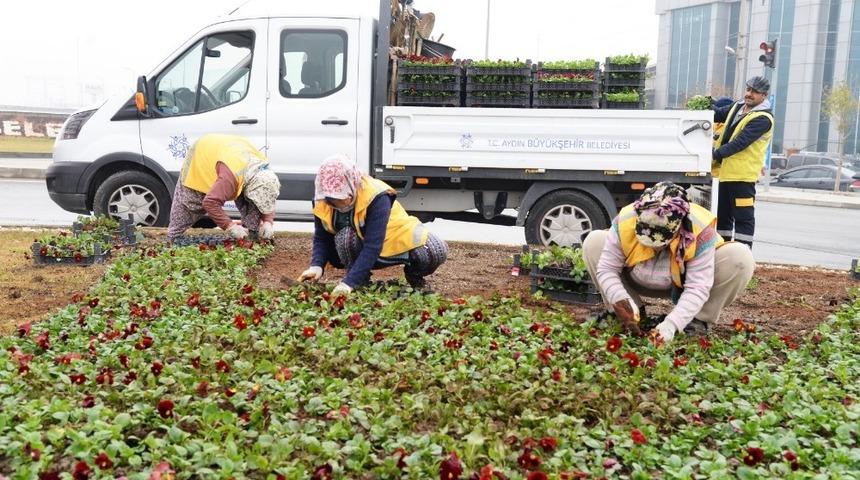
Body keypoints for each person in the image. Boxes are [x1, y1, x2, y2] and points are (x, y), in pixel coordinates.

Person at [582, 182, 754, 343]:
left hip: (681, 282)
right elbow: (607, 269)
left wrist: (671, 325)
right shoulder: (626, 219)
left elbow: (698, 287)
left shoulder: (699, 228)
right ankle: (626, 312)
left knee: (740, 257)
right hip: (634, 276)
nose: (654, 247)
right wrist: (620, 298)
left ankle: (697, 321)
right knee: (595, 241)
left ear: (679, 226)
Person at [298, 154, 448, 294]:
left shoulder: (377, 196)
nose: (337, 203)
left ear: (352, 185)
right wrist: (316, 266)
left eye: (341, 197)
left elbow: (373, 245)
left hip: (393, 238)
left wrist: (348, 284)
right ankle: (360, 282)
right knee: (345, 236)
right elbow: (321, 238)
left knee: (435, 250)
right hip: (355, 247)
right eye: (333, 199)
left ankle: (414, 277)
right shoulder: (322, 200)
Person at [167, 134, 280, 241]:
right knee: (189, 202)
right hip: (202, 151)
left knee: (253, 203)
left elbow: (266, 198)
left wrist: (268, 221)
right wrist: (230, 226)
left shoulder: (264, 171)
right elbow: (210, 203)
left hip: (229, 154)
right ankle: (173, 238)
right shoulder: (230, 177)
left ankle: (252, 233)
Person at [712, 76, 775, 247]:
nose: (749, 94)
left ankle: (743, 254)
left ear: (764, 95)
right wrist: (706, 104)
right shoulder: (739, 106)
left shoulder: (763, 118)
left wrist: (715, 154)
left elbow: (740, 142)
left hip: (743, 178)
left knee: (743, 218)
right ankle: (723, 251)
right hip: (725, 174)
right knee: (723, 217)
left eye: (755, 92)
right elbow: (718, 113)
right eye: (748, 89)